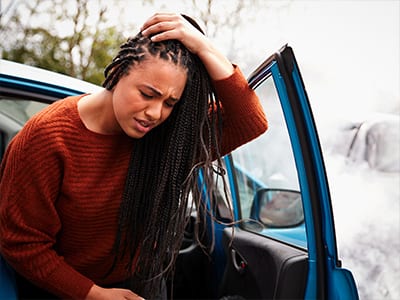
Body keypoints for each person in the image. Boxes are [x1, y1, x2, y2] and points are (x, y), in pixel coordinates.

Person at [0, 12, 267, 300]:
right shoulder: (47, 137)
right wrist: (95, 295)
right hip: (62, 288)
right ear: (117, 74)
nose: (155, 113)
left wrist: (204, 47)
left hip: (142, 282)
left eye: (169, 103)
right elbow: (22, 243)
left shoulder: (166, 138)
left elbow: (250, 120)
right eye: (147, 94)